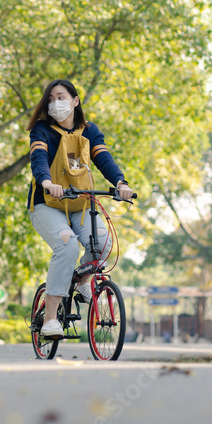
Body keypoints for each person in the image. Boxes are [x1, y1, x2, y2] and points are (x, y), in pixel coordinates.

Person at [27, 79, 135, 338]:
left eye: (61, 97)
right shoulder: (42, 130)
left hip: (81, 204)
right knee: (68, 247)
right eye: (50, 99)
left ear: (75, 101)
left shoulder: (89, 130)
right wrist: (46, 182)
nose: (55, 103)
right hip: (47, 205)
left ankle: (82, 281)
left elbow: (103, 158)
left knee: (104, 243)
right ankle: (51, 319)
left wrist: (120, 182)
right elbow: (38, 158)